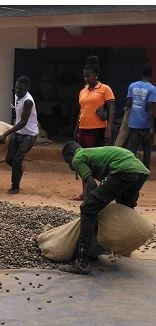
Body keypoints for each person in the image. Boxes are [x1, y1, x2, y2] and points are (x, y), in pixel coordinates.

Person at [60, 141, 150, 274]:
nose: (70, 166)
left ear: (72, 154)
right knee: (123, 209)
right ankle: (126, 248)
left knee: (87, 209)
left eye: (67, 161)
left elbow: (91, 185)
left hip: (122, 169)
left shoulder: (78, 157)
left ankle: (82, 262)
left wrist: (90, 205)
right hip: (140, 171)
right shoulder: (93, 152)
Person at [73, 55, 116, 200]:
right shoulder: (83, 90)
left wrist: (108, 129)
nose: (86, 79)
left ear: (96, 75)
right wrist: (76, 128)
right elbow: (81, 111)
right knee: (83, 161)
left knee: (98, 163)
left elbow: (111, 109)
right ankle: (85, 192)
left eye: (89, 76)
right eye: (85, 76)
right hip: (83, 130)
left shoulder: (105, 89)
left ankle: (101, 192)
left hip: (98, 131)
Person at [0, 76, 39, 194]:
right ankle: (19, 168)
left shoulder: (28, 101)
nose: (17, 90)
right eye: (16, 87)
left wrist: (6, 133)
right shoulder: (17, 96)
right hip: (18, 132)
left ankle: (15, 187)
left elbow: (23, 122)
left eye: (20, 88)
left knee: (16, 160)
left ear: (27, 88)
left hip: (29, 135)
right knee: (9, 159)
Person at [125, 65, 156, 170]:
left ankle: (130, 169)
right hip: (146, 125)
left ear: (141, 74)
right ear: (151, 75)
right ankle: (145, 170)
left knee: (132, 148)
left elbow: (128, 103)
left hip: (133, 123)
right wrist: (152, 127)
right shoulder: (152, 89)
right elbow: (150, 109)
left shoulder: (132, 86)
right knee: (147, 149)